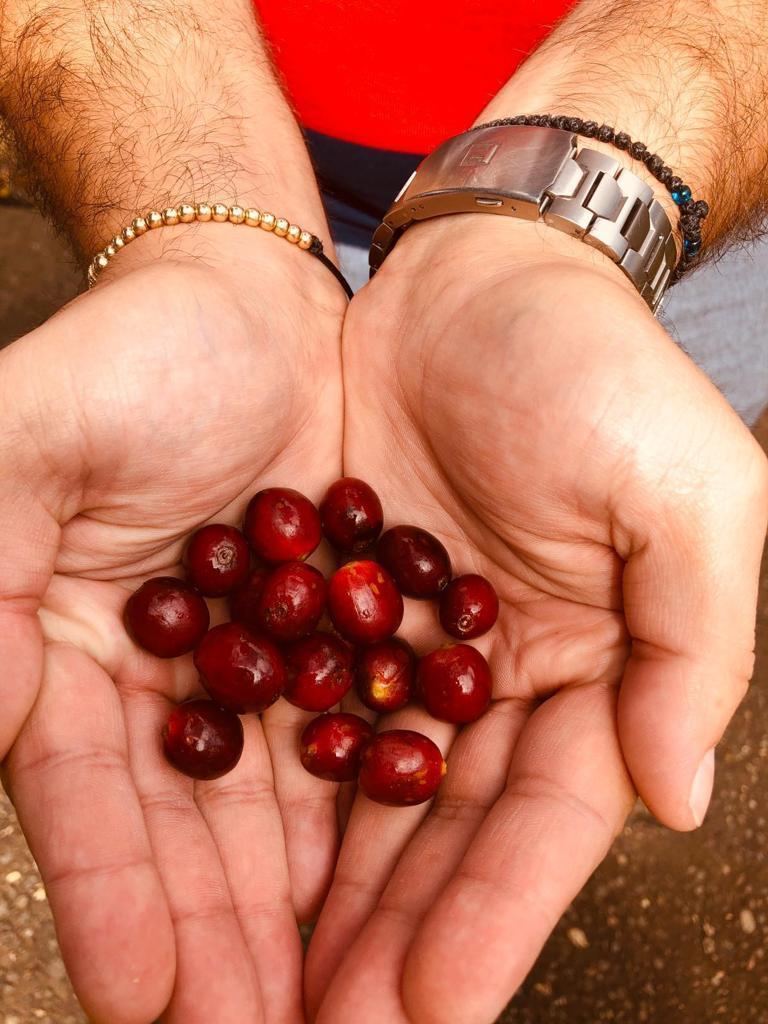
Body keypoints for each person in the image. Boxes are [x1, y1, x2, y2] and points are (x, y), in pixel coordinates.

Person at [0, 1, 765, 1022]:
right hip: (202, 122)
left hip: (668, 188)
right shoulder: (326, 594)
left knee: (655, 447)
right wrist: (194, 203)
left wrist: (582, 216)